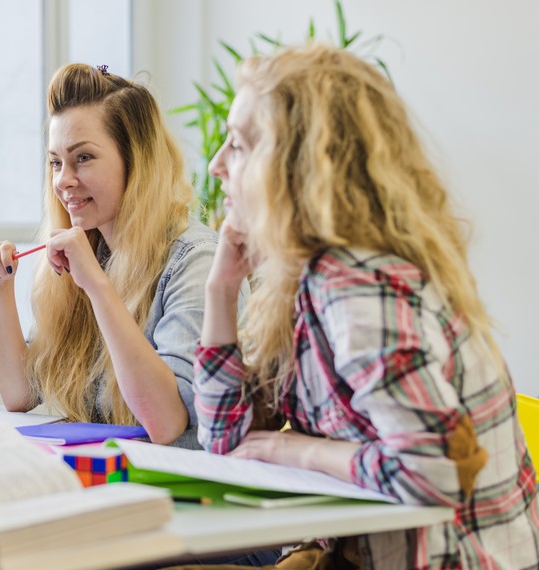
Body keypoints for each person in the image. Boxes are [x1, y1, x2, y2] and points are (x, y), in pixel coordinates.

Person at [193, 43, 539, 568]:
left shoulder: (356, 284)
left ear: (301, 166)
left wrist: (296, 449)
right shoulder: (301, 280)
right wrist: (221, 290)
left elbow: (434, 473)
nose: (218, 165)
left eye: (239, 145)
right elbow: (226, 442)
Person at [0, 64, 246, 448]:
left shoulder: (196, 261)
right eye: (55, 162)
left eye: (83, 158)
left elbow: (166, 424)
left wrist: (97, 287)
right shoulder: (89, 252)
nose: (63, 180)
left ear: (136, 162)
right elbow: (20, 395)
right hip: (101, 478)